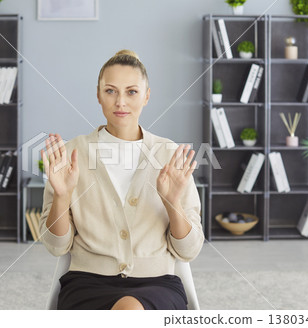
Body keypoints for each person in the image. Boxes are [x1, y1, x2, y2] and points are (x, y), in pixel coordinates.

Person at [39, 50, 204, 310]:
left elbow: (189, 250)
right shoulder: (71, 154)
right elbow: (56, 246)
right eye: (111, 91)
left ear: (147, 96)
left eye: (132, 92)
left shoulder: (170, 154)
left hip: (157, 283)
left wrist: (172, 202)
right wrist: (61, 197)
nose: (120, 103)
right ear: (98, 95)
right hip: (87, 283)